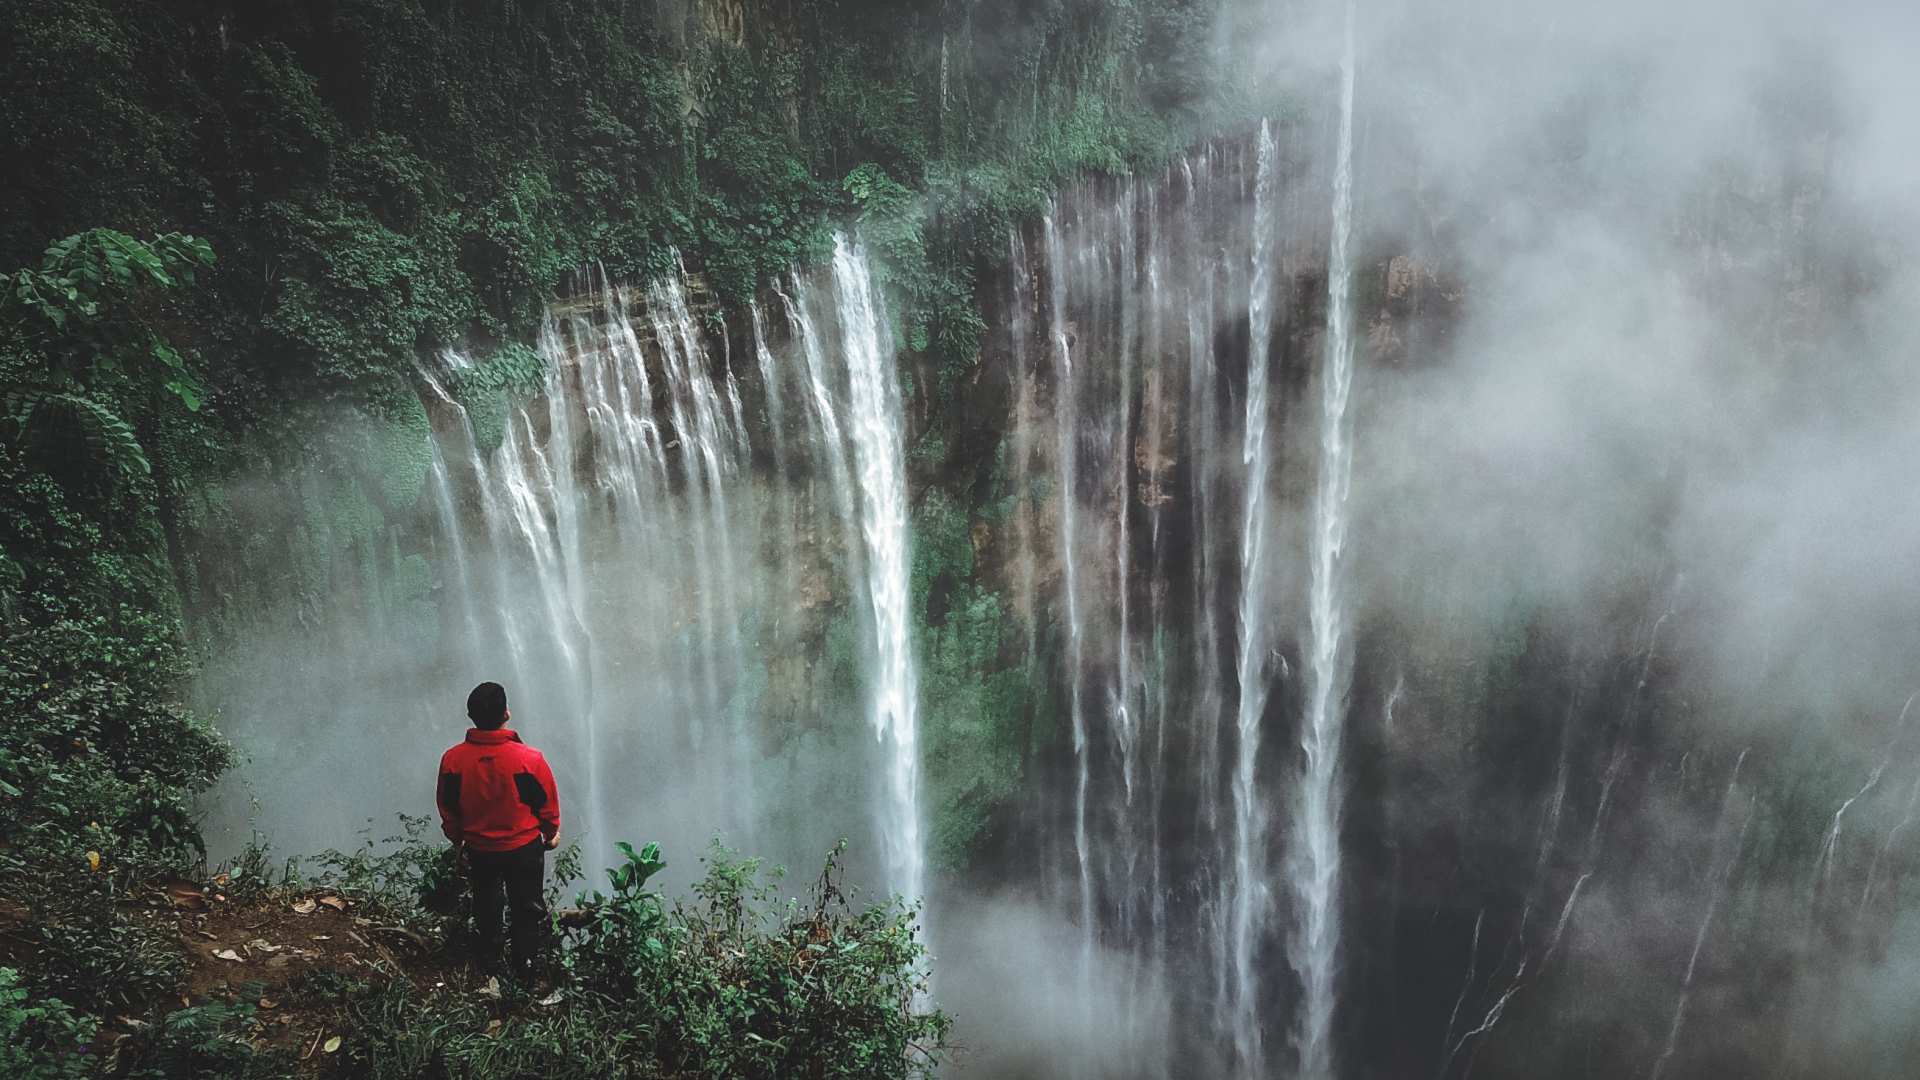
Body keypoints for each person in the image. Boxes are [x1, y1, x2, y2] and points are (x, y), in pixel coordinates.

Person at [435, 681, 561, 979]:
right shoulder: (529, 759)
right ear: (507, 713)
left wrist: (456, 841)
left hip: (481, 851)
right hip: (524, 848)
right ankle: (525, 971)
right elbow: (546, 802)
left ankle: (490, 965)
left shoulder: (453, 760)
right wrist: (551, 833)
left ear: (471, 716)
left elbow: (448, 806)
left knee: (487, 904)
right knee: (526, 909)